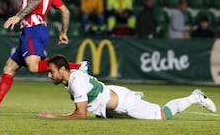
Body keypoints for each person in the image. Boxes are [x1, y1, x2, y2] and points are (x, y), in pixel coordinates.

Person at [37, 54, 217, 119]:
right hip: (114, 101)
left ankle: (196, 97)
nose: (49, 75)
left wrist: (55, 116)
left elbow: (81, 114)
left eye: (51, 71)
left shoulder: (75, 82)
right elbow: (84, 69)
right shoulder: (72, 79)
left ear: (62, 70)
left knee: (163, 116)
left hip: (124, 103)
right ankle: (134, 96)